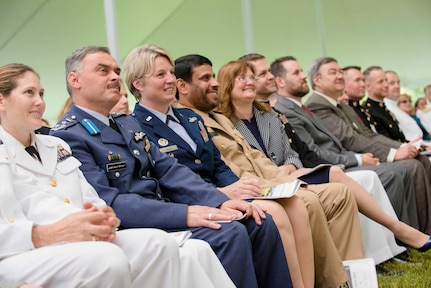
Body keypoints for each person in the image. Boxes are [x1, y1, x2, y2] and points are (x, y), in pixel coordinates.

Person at [50, 45, 292, 288]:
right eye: (103, 71)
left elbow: (169, 170)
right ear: (75, 80)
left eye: (116, 70)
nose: (114, 77)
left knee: (257, 222)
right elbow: (108, 202)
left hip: (165, 213)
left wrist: (218, 200)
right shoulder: (68, 136)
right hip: (134, 227)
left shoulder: (125, 124)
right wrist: (186, 214)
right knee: (229, 234)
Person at [0, 63, 238, 288]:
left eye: (41, 93)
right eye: (29, 93)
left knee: (162, 243)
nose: (40, 102)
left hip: (79, 239)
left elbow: (89, 197)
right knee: (107, 259)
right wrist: (46, 234)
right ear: (2, 100)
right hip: (24, 251)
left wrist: (104, 216)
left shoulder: (54, 145)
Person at [124, 45, 312, 288]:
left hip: (221, 193)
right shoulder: (134, 127)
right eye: (161, 75)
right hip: (190, 202)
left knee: (269, 216)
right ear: (138, 84)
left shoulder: (190, 118)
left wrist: (236, 187)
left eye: (171, 72)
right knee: (256, 220)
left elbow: (217, 164)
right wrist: (221, 195)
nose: (171, 79)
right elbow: (165, 179)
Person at [174, 54, 364, 288]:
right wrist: (277, 186)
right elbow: (228, 170)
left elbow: (260, 157)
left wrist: (289, 180)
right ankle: (319, 282)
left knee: (335, 193)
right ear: (182, 86)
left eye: (213, 76)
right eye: (206, 78)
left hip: (266, 180)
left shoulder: (228, 118)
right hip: (242, 190)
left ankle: (348, 276)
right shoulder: (199, 119)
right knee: (305, 201)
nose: (214, 82)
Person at [227, 56, 431, 265]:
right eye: (242, 78)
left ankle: (388, 246)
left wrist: (290, 166)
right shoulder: (225, 123)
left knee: (344, 177)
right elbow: (244, 165)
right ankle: (391, 241)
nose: (251, 81)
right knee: (353, 178)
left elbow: (293, 153)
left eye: (253, 77)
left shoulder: (269, 115)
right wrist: (285, 172)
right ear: (227, 86)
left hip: (293, 173)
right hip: (266, 185)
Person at [304, 58, 431, 235]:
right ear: (317, 80)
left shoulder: (341, 106)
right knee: (404, 168)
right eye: (333, 73)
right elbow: (350, 139)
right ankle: (404, 235)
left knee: (418, 160)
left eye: (340, 71)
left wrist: (400, 148)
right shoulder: (317, 105)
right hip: (345, 161)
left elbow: (367, 135)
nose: (340, 76)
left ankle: (422, 229)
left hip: (359, 155)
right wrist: (393, 154)